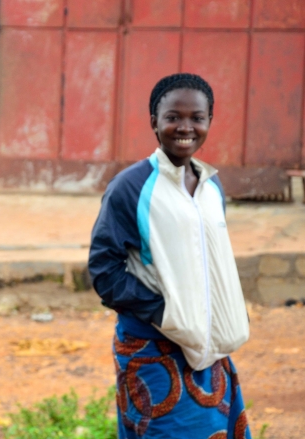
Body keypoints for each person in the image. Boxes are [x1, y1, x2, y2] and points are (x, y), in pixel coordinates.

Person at [88, 73, 251, 438]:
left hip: (211, 356)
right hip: (154, 352)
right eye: (173, 117)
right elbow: (104, 270)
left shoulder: (211, 185)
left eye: (197, 117)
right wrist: (165, 313)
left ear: (210, 121)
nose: (185, 127)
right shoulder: (131, 187)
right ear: (154, 123)